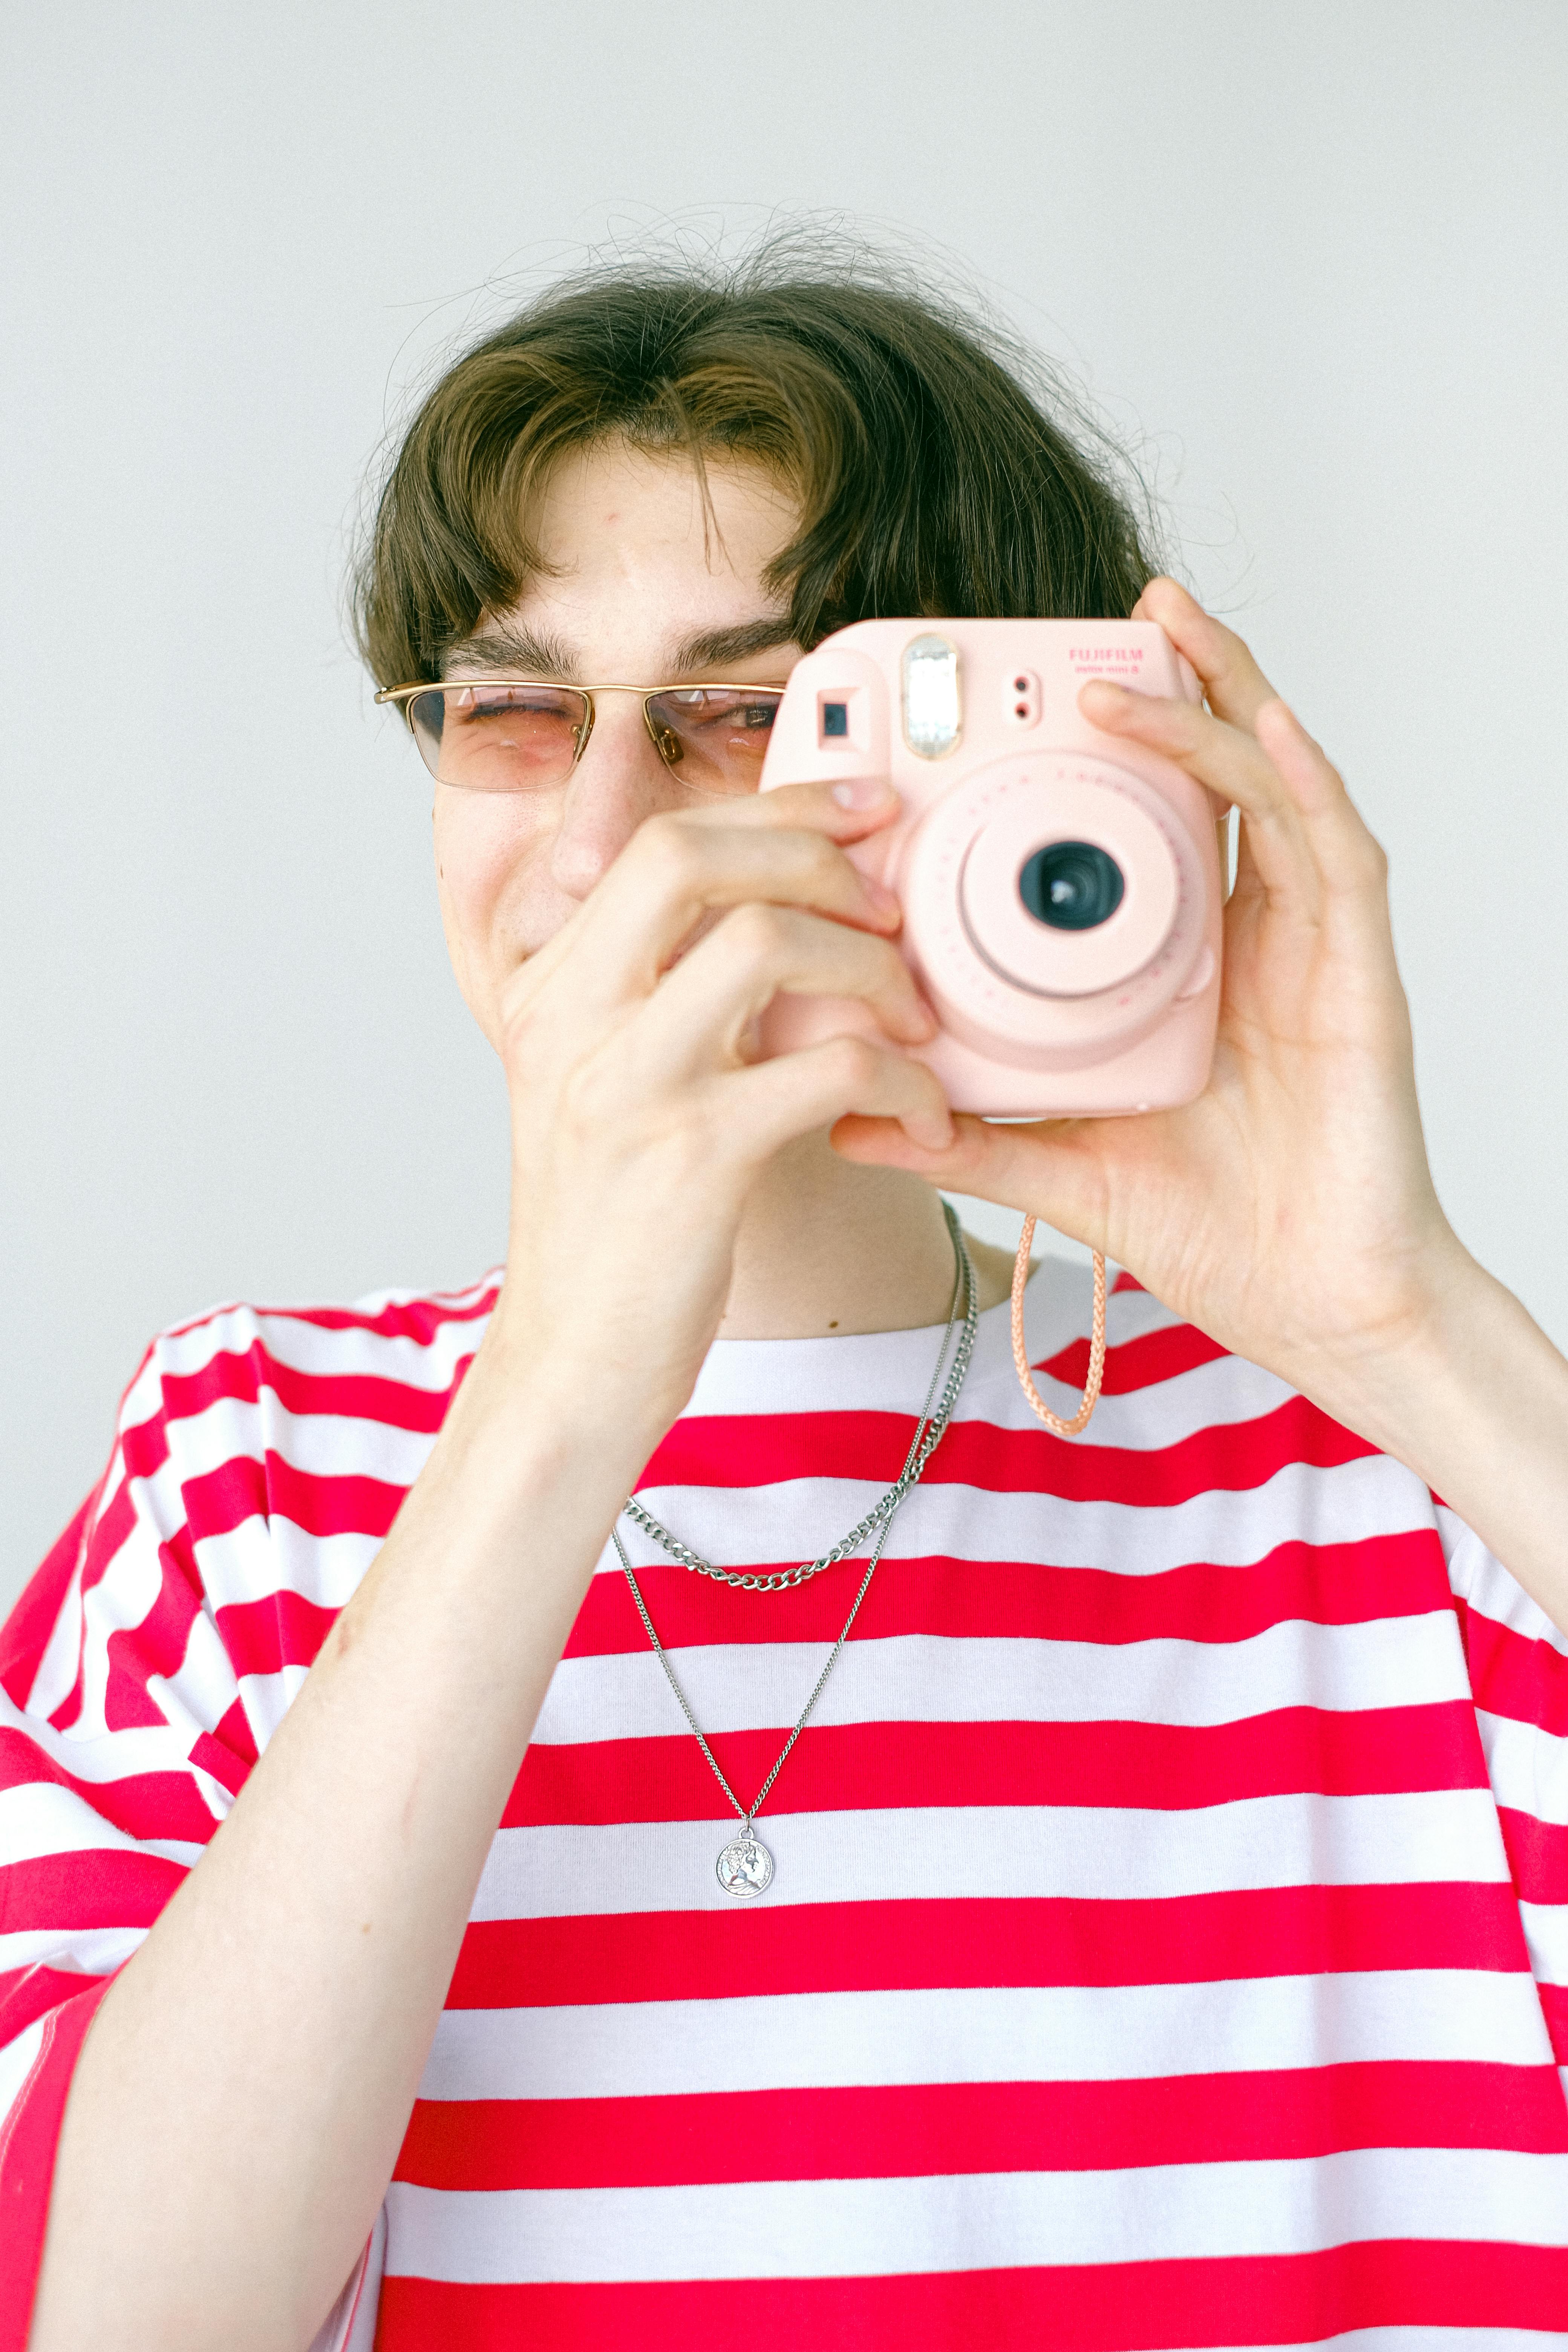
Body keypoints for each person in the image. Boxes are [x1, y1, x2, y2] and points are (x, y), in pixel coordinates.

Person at [5, 247, 1568, 2352]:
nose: (602, 838)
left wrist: (1400, 1321)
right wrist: (563, 1382)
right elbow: (117, 2320)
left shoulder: (1388, 1465)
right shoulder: (244, 1463)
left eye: (755, 712)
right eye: (513, 707)